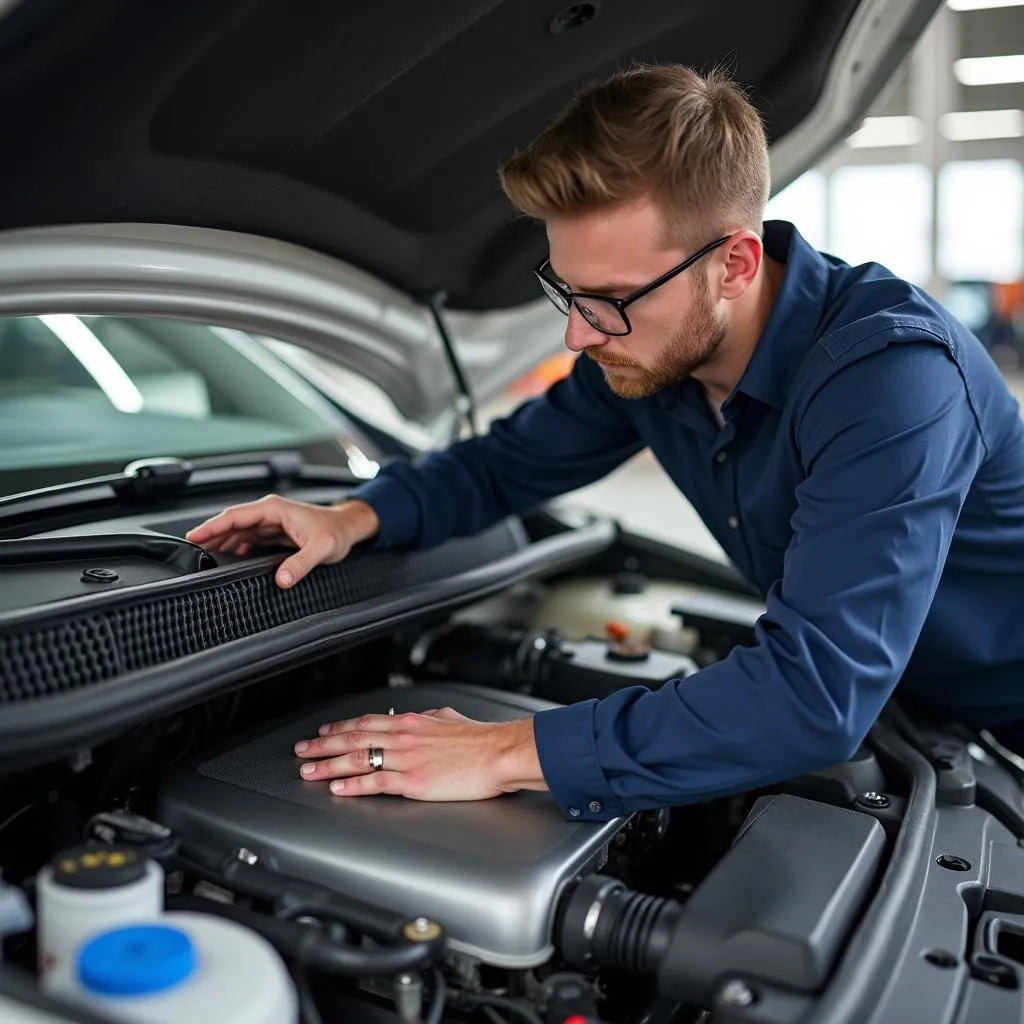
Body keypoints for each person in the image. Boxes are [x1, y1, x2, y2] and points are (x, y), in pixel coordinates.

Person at [186, 64, 1024, 821]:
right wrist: (353, 518)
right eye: (568, 292)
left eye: (612, 298)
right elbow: (505, 465)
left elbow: (811, 698)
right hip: (913, 702)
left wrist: (504, 751)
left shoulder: (892, 378)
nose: (582, 337)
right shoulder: (650, 352)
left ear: (733, 264)